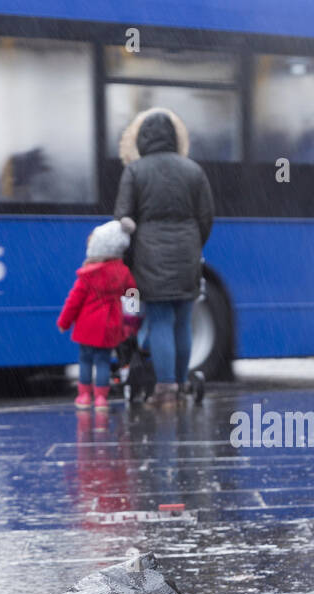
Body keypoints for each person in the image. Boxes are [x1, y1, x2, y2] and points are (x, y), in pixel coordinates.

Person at [114, 108, 214, 405]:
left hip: (149, 257)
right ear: (173, 137)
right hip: (187, 255)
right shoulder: (193, 170)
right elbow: (206, 217)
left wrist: (134, 252)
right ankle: (182, 383)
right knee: (183, 320)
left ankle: (165, 387)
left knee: (159, 320)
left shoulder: (135, 171)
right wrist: (194, 244)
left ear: (142, 139)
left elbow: (122, 216)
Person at [57, 219, 138, 410]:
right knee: (103, 361)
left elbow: (73, 302)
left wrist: (64, 322)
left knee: (85, 360)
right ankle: (101, 399)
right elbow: (132, 293)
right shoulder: (123, 272)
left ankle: (84, 396)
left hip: (87, 325)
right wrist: (132, 319)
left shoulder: (87, 275)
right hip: (111, 325)